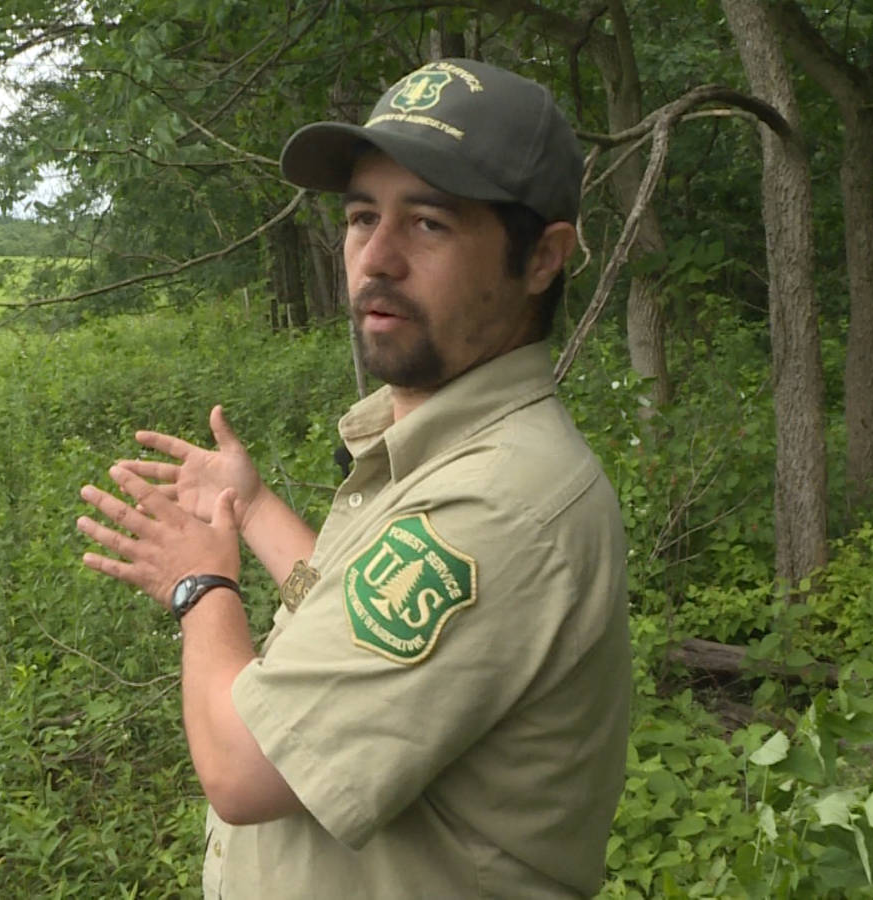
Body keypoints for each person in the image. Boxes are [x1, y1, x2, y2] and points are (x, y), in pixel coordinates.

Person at [76, 57, 630, 898]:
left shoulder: (501, 506)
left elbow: (243, 766)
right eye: (362, 216)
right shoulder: (455, 455)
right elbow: (333, 600)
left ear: (544, 258)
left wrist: (201, 588)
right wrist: (252, 507)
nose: (377, 258)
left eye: (430, 224)